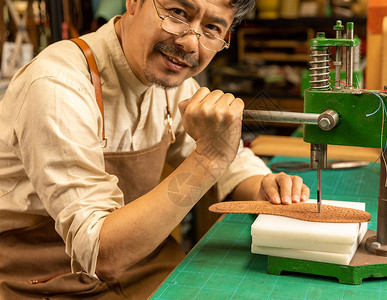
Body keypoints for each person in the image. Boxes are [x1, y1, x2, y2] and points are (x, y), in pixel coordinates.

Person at [0, 0, 310, 298]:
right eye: (177, 12)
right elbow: (101, 252)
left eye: (213, 27)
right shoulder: (58, 83)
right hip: (44, 280)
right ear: (133, 2)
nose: (191, 43)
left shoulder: (168, 82)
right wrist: (208, 159)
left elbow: (229, 161)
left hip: (140, 265)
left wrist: (266, 186)